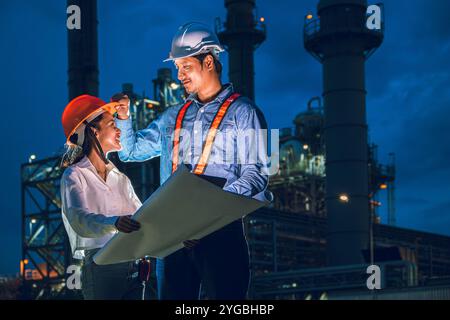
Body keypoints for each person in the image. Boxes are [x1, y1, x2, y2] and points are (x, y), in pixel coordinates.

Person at [114, 22, 272, 300]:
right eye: (176, 68)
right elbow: (130, 152)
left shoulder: (244, 113)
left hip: (220, 232)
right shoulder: (172, 116)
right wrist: (124, 118)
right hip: (174, 237)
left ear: (208, 61)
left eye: (185, 66)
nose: (179, 75)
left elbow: (257, 175)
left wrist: (206, 217)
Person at [60, 94, 142, 300]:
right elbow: (80, 219)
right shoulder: (74, 176)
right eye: (113, 124)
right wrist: (115, 223)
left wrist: (179, 236)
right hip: (101, 265)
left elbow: (145, 216)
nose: (118, 130)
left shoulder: (121, 179)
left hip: (133, 264)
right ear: (94, 132)